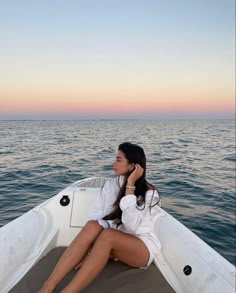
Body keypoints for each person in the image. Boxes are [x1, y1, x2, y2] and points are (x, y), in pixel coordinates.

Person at [38, 142, 161, 293]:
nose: (113, 163)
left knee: (108, 235)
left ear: (133, 167)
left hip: (140, 248)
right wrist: (90, 250)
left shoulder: (149, 193)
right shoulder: (111, 185)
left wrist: (130, 186)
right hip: (115, 242)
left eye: (118, 160)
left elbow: (132, 227)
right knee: (92, 225)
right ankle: (48, 285)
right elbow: (98, 218)